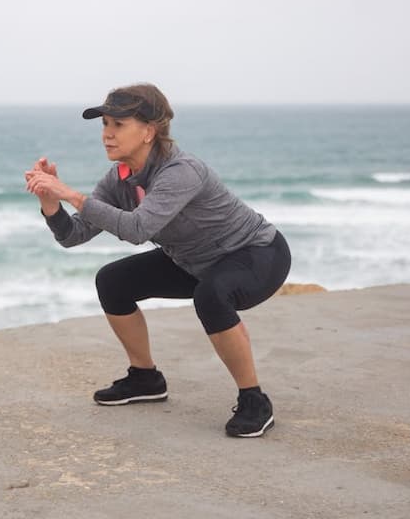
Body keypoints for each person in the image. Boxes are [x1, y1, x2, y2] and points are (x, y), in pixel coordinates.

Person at [24, 83, 292, 437]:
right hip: (192, 261)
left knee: (211, 295)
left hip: (256, 254)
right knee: (112, 281)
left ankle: (254, 400)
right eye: (105, 125)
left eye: (118, 125)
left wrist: (73, 195)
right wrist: (51, 203)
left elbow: (138, 228)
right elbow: (73, 236)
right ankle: (145, 378)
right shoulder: (119, 178)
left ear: (149, 131)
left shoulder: (181, 170)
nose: (107, 135)